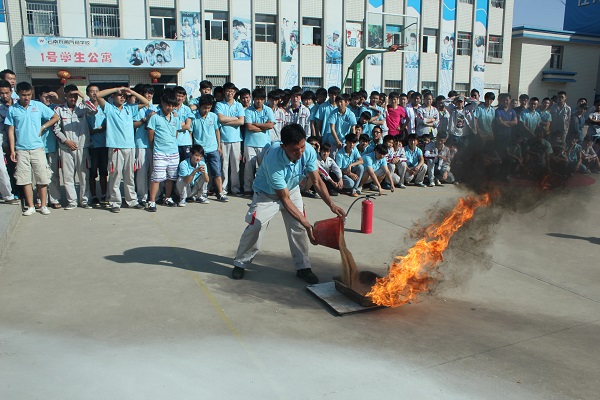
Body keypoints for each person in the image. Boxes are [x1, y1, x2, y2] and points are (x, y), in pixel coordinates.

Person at [231, 123, 345, 282]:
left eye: (302, 147)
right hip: (266, 194)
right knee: (256, 226)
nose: (300, 153)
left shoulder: (309, 151)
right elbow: (284, 199)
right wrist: (307, 224)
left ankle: (303, 267)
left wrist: (331, 204)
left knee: (297, 227)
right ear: (283, 147)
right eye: (294, 149)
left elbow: (317, 181)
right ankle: (240, 263)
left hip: (292, 189)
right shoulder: (274, 161)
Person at [6, 82, 60, 216]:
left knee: (42, 177)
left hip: (37, 148)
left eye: (29, 95)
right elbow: (11, 130)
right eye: (24, 95)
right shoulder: (13, 109)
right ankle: (31, 206)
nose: (26, 98)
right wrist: (12, 150)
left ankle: (43, 205)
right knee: (25, 179)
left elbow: (55, 117)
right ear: (18, 94)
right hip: (21, 149)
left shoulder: (38, 106)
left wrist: (43, 127)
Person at [96, 86, 149, 213]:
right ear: (113, 97)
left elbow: (146, 102)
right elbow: (98, 95)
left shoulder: (129, 109)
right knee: (115, 175)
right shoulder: (109, 108)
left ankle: (132, 201)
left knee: (129, 176)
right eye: (119, 95)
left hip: (130, 146)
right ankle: (115, 202)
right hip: (116, 147)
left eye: (124, 96)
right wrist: (116, 89)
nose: (121, 98)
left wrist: (132, 92)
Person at [53, 84, 92, 209]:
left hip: (82, 147)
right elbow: (56, 129)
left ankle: (84, 201)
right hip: (66, 148)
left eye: (75, 96)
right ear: (65, 95)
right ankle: (72, 202)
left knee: (83, 176)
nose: (73, 99)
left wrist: (82, 96)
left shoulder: (82, 107)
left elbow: (94, 110)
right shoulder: (58, 110)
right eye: (70, 96)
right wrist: (66, 142)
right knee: (68, 176)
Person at [145, 90, 180, 212]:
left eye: (172, 105)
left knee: (171, 177)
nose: (170, 108)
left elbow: (176, 133)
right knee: (156, 178)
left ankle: (167, 198)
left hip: (174, 152)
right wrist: (155, 146)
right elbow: (151, 134)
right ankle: (152, 201)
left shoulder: (175, 117)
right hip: (160, 152)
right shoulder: (155, 117)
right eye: (167, 105)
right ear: (162, 103)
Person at [192, 94, 227, 201]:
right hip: (200, 151)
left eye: (209, 108)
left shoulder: (214, 116)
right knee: (201, 172)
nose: (207, 110)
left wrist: (219, 146)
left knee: (217, 172)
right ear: (199, 106)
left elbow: (217, 131)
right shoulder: (193, 117)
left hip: (213, 149)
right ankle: (202, 192)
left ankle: (220, 192)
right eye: (204, 108)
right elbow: (190, 133)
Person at [215, 82, 245, 195]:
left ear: (235, 93)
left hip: (236, 139)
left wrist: (226, 120)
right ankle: (224, 188)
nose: (230, 93)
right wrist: (234, 119)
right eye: (228, 91)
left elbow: (241, 121)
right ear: (224, 92)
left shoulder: (239, 105)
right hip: (224, 139)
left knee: (236, 165)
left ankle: (235, 188)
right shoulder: (219, 105)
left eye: (232, 91)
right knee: (224, 165)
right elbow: (220, 119)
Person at [244, 89, 275, 195]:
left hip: (264, 144)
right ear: (253, 99)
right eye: (257, 99)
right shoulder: (248, 110)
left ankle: (263, 187)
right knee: (249, 168)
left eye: (261, 99)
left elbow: (271, 125)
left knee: (264, 168)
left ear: (264, 100)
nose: (259, 101)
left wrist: (256, 124)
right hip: (250, 143)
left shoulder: (268, 110)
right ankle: (248, 188)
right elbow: (249, 127)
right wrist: (263, 126)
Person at [36, 86, 62, 209]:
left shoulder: (55, 108)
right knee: (39, 174)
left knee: (53, 174)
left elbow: (66, 105)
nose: (47, 99)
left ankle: (55, 198)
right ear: (39, 96)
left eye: (49, 97)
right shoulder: (34, 107)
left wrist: (56, 98)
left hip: (51, 146)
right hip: (37, 146)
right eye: (45, 96)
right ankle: (42, 200)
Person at [132, 84, 157, 206]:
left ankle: (154, 195)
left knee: (154, 171)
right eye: (147, 93)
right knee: (141, 171)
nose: (149, 95)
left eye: (151, 93)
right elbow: (133, 125)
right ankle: (142, 196)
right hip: (141, 143)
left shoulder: (155, 108)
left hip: (154, 144)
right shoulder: (137, 108)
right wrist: (146, 119)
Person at [86, 84, 109, 207]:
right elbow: (85, 129)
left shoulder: (104, 108)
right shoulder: (84, 108)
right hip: (91, 146)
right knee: (92, 172)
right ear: (87, 94)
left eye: (96, 91)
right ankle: (94, 196)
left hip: (104, 145)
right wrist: (97, 130)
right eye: (91, 91)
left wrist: (98, 130)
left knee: (104, 172)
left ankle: (104, 194)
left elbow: (108, 125)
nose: (94, 93)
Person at [0, 80, 18, 204]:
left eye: (6, 93)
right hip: (4, 141)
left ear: (11, 91)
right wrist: (6, 145)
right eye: (1, 93)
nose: (4, 96)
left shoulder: (18, 104)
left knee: (18, 170)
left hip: (19, 141)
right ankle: (8, 195)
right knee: (3, 169)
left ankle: (21, 194)